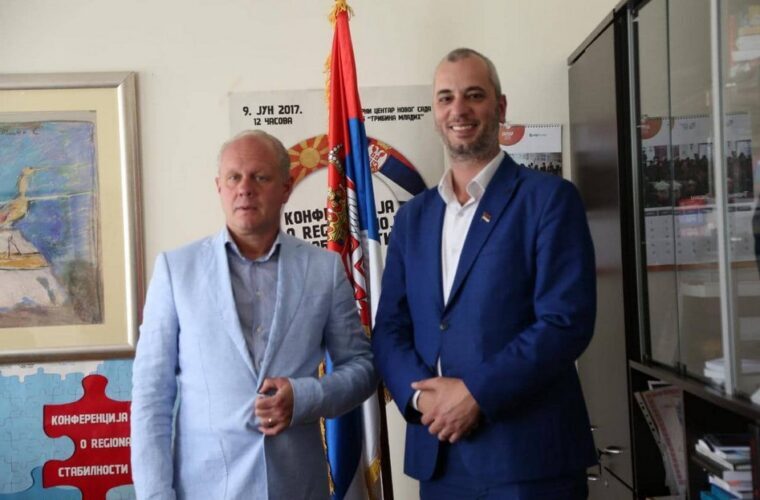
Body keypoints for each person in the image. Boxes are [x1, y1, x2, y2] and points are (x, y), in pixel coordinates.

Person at [372, 48, 598, 499]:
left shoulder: (549, 200)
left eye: (474, 95)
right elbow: (390, 328)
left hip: (528, 463)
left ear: (501, 107)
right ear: (435, 114)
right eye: (446, 98)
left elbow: (564, 322)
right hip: (439, 456)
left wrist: (476, 393)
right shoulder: (413, 218)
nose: (459, 110)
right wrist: (423, 400)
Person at [131, 130, 377, 500]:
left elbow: (362, 368)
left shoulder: (323, 270)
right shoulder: (176, 271)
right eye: (234, 177)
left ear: (286, 188)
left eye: (260, 177)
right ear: (219, 187)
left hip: (298, 488)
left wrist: (306, 396)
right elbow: (151, 397)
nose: (245, 189)